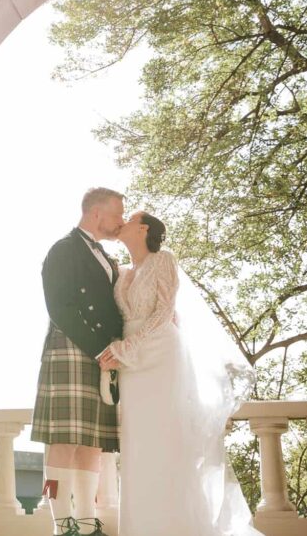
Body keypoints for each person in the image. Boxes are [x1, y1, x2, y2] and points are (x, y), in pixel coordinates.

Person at [99, 212, 261, 536]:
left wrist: (127, 347)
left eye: (129, 218)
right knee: (138, 447)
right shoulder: (122, 270)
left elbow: (164, 312)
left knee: (168, 442)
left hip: (161, 356)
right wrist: (121, 350)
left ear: (143, 228)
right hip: (133, 367)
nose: (123, 222)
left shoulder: (164, 260)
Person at [31, 187, 126, 536]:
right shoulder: (64, 249)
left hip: (101, 352)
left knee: (92, 442)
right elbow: (60, 307)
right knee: (62, 441)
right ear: (96, 213)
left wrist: (114, 349)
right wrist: (98, 348)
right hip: (72, 346)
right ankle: (59, 523)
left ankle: (86, 523)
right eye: (117, 214)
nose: (121, 221)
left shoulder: (104, 255)